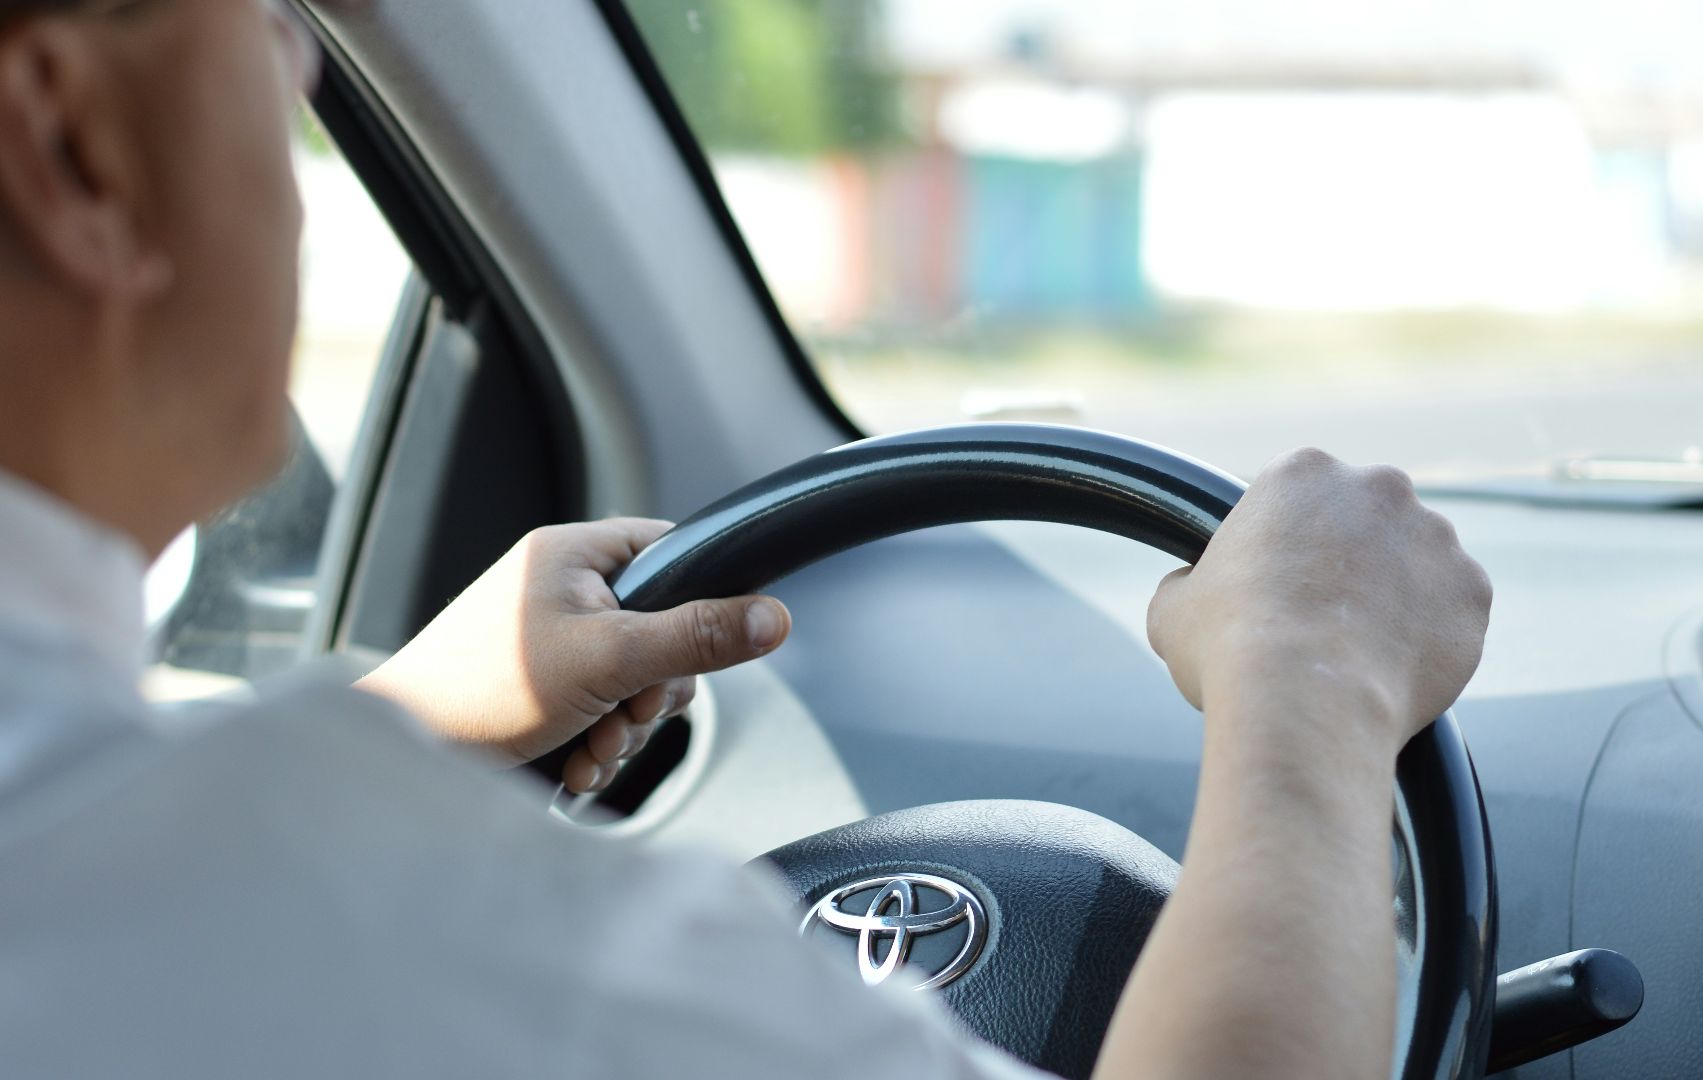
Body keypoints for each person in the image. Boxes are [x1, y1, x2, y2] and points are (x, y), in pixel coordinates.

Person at [0, 0, 1493, 1077]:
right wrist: (1315, 693)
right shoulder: (395, 908)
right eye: (257, 13)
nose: (302, 55)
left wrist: (392, 732)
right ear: (66, 145)